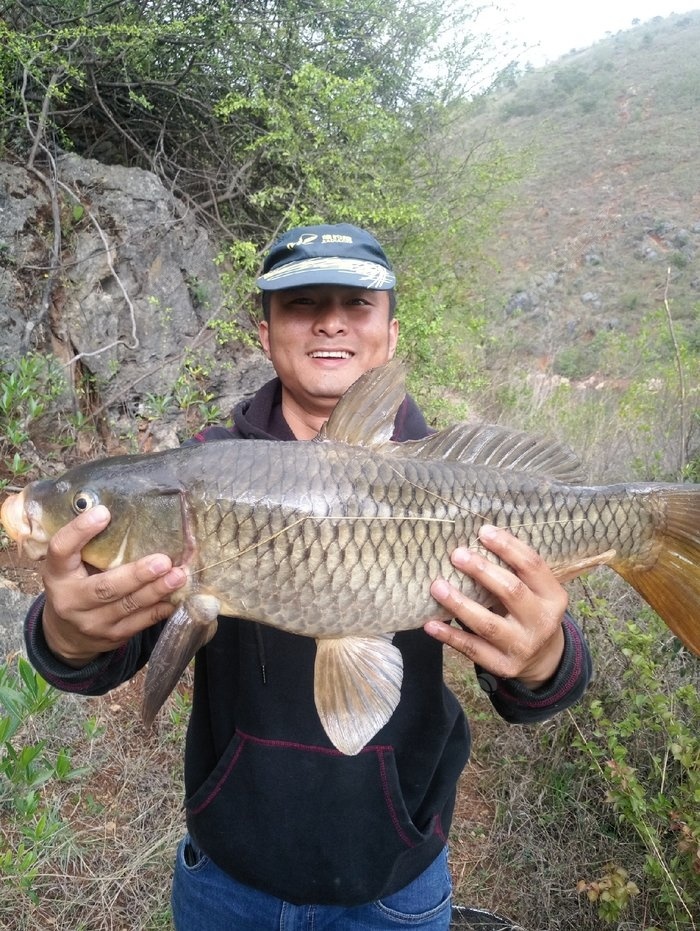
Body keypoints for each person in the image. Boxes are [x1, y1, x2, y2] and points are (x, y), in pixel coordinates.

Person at [24, 223, 592, 930]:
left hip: (394, 883)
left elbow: (542, 686)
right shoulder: (203, 467)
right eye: (301, 304)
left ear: (389, 332)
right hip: (227, 877)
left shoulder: (458, 479)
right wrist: (66, 631)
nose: (330, 321)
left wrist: (544, 658)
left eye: (356, 303)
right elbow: (95, 654)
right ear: (264, 332)